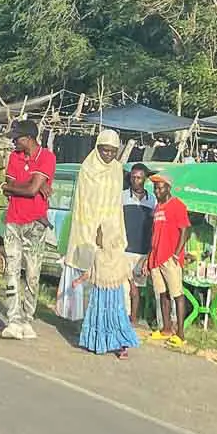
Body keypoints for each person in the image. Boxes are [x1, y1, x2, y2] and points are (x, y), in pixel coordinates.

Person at [71, 131, 139, 360]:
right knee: (95, 302)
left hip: (111, 231)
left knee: (113, 304)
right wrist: (92, 233)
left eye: (112, 151)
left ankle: (117, 340)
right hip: (91, 228)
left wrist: (113, 235)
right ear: (97, 148)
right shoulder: (87, 169)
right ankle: (95, 338)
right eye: (105, 150)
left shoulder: (118, 170)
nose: (109, 155)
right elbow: (82, 203)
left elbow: (116, 205)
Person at [0, 119, 56, 341]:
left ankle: (27, 319)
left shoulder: (47, 157)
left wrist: (23, 186)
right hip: (13, 220)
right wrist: (31, 183)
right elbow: (10, 187)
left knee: (32, 274)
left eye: (17, 138)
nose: (14, 142)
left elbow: (31, 190)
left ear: (29, 138)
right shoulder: (15, 157)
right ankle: (13, 319)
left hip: (35, 223)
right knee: (11, 272)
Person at [146, 172, 190, 348]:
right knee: (162, 294)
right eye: (155, 188)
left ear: (168, 188)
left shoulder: (177, 205)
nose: (157, 191)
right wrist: (150, 256)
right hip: (156, 257)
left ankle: (180, 333)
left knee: (177, 294)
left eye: (160, 188)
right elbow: (155, 233)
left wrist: (176, 254)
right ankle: (166, 328)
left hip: (169, 257)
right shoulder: (157, 208)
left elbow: (185, 230)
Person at [122, 162, 155, 326]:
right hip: (124, 250)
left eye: (140, 178)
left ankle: (133, 320)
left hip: (142, 251)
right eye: (133, 177)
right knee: (125, 288)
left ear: (145, 179)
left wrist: (149, 254)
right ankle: (123, 318)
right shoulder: (122, 197)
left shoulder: (153, 201)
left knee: (137, 289)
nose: (136, 181)